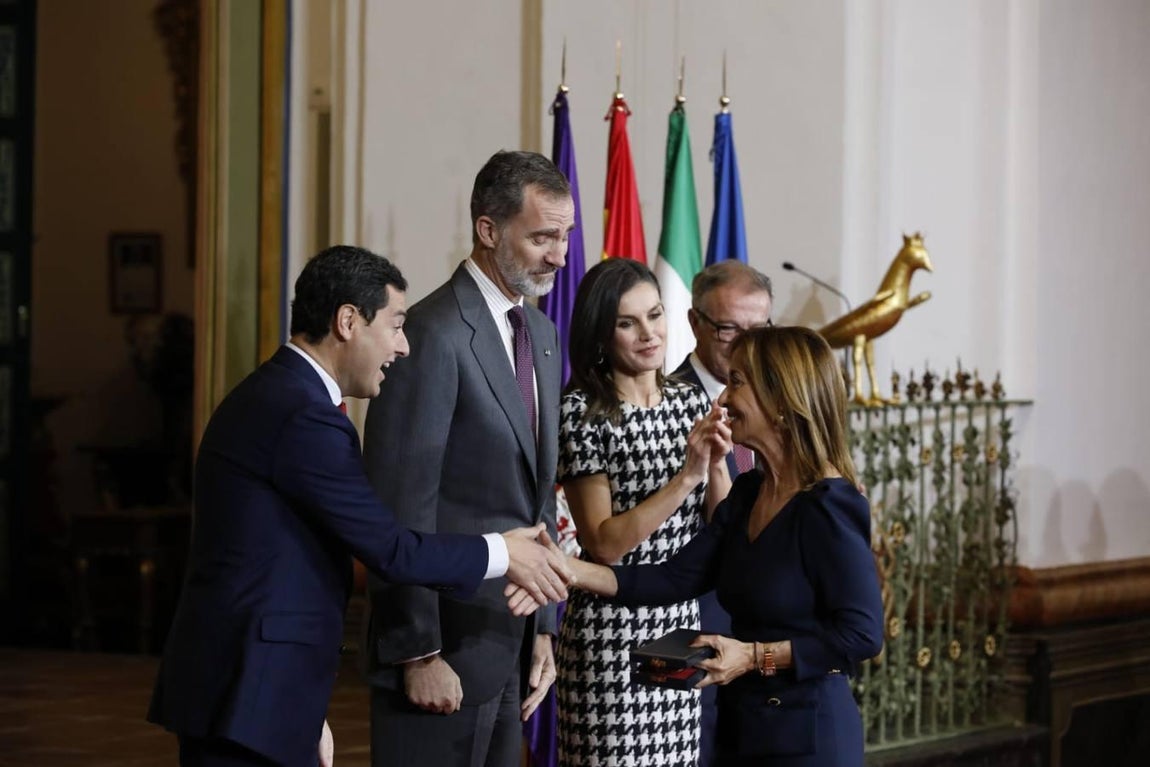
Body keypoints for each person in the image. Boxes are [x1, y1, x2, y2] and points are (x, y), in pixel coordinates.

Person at [147, 245, 572, 767]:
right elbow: (391, 550)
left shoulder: (284, 395)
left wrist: (303, 710)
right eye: (396, 326)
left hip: (261, 689)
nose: (404, 346)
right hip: (246, 691)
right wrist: (504, 553)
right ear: (348, 321)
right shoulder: (302, 414)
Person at [524, 325, 884, 766]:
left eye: (738, 383)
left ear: (782, 402)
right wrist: (564, 567)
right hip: (741, 729)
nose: (724, 399)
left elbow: (861, 636)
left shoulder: (829, 505)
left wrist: (753, 657)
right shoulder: (749, 492)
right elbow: (674, 578)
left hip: (810, 739)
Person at [360, 150, 576, 767]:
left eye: (565, 236)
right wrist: (418, 652)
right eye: (542, 237)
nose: (560, 256)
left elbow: (537, 497)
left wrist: (543, 626)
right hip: (444, 652)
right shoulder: (430, 333)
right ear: (488, 230)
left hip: (512, 643)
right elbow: (398, 508)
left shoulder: (541, 334)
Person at [554, 258, 732, 767]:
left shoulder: (689, 400)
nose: (649, 333)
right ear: (601, 333)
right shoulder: (583, 411)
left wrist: (715, 465)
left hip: (678, 623)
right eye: (627, 323)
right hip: (610, 630)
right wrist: (686, 478)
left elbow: (719, 525)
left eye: (655, 315)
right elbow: (603, 544)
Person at [671, 260, 773, 766]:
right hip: (696, 620)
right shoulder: (663, 403)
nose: (748, 345)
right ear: (695, 323)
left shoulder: (780, 405)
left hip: (766, 635)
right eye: (731, 329)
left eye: (760, 328)